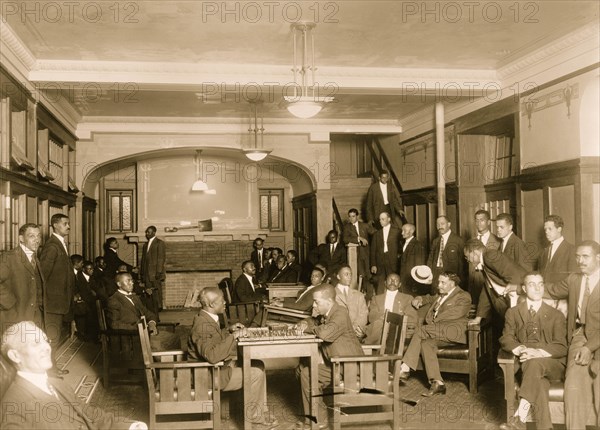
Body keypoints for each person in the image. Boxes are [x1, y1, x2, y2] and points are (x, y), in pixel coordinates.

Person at [0, 321, 146, 430]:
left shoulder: (57, 383)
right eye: (36, 343)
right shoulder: (13, 408)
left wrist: (130, 426)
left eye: (45, 340)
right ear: (15, 356)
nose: (46, 347)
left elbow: (89, 414)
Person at [187, 287, 276, 429]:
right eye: (222, 300)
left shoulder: (206, 318)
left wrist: (228, 330)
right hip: (207, 375)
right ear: (211, 305)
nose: (225, 303)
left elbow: (213, 338)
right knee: (255, 373)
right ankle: (254, 418)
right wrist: (234, 336)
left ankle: (258, 412)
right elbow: (212, 355)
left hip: (215, 369)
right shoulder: (202, 324)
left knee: (258, 364)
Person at [542, 241, 600, 430]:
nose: (580, 261)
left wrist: (589, 348)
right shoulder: (575, 279)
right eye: (577, 256)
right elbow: (551, 289)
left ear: (598, 258)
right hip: (579, 335)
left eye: (585, 257)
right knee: (573, 385)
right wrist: (519, 287)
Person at [498, 273, 567, 430]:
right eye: (532, 284)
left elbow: (561, 346)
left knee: (534, 362)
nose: (537, 288)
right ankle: (545, 427)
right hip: (527, 366)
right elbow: (506, 338)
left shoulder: (556, 315)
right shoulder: (513, 312)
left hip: (553, 364)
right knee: (540, 384)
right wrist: (521, 349)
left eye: (540, 284)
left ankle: (519, 417)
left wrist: (538, 352)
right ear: (523, 288)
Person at [294, 285, 364, 428]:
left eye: (317, 302)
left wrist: (307, 328)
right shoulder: (330, 313)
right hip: (338, 364)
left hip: (350, 367)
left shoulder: (340, 313)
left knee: (307, 373)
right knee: (303, 370)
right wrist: (304, 322)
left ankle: (318, 419)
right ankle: (316, 417)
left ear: (329, 301)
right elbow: (314, 321)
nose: (314, 305)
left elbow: (325, 333)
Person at [398, 272, 471, 397]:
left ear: (452, 284)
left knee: (421, 330)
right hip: (439, 332)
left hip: (454, 331)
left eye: (443, 283)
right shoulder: (440, 295)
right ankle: (438, 382)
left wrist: (433, 321)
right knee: (426, 343)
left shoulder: (463, 296)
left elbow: (455, 313)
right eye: (439, 282)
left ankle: (405, 368)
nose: (439, 285)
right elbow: (429, 298)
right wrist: (419, 298)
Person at [106, 272, 179, 351]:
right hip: (131, 338)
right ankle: (156, 362)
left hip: (145, 334)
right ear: (119, 284)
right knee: (162, 343)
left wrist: (151, 323)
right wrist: (140, 328)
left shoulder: (135, 297)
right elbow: (114, 324)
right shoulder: (114, 300)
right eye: (128, 281)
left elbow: (149, 313)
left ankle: (170, 362)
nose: (132, 283)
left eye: (132, 280)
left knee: (174, 338)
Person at [39, 213, 75, 375]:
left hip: (59, 301)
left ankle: (51, 367)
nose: (68, 226)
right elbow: (42, 276)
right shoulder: (52, 246)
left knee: (55, 336)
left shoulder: (59, 244)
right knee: (52, 337)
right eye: (65, 223)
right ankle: (50, 369)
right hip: (52, 302)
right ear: (55, 226)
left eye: (68, 223)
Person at [464, 239, 528, 326]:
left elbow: (516, 276)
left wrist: (515, 310)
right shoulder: (485, 262)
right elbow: (487, 290)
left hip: (521, 301)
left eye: (467, 257)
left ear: (475, 252)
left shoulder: (490, 256)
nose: (468, 261)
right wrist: (478, 317)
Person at [0, 223, 44, 333]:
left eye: (38, 236)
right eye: (31, 236)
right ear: (21, 238)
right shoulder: (9, 257)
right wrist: (10, 304)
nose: (37, 240)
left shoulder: (35, 258)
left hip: (34, 317)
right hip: (14, 317)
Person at [364, 273, 418, 344]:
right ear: (385, 283)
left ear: (400, 285)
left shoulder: (408, 298)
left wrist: (393, 319)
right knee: (379, 325)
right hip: (380, 327)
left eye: (396, 280)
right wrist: (385, 318)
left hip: (397, 329)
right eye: (390, 279)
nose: (392, 282)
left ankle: (367, 345)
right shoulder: (376, 299)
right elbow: (372, 317)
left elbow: (412, 319)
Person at [468, 210, 502, 305]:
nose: (479, 223)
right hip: (473, 279)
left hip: (490, 280)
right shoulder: (471, 241)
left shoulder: (498, 241)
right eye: (476, 220)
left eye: (482, 220)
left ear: (488, 222)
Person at [427, 215, 465, 288]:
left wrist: (459, 282)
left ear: (449, 224)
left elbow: (462, 265)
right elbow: (430, 259)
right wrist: (429, 275)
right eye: (437, 224)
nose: (439, 226)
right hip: (435, 276)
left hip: (450, 278)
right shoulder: (435, 241)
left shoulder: (458, 240)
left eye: (442, 224)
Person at [538, 215, 577, 284]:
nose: (546, 232)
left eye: (550, 229)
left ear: (559, 229)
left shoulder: (571, 250)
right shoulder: (544, 252)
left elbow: (572, 280)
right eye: (545, 229)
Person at [370, 212, 401, 295]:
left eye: (383, 219)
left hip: (393, 261)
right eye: (380, 219)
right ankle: (379, 301)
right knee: (380, 284)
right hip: (380, 262)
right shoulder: (377, 234)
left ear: (389, 219)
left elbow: (401, 247)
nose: (380, 221)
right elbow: (373, 250)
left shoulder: (397, 232)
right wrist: (373, 264)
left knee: (393, 282)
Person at [342, 208, 375, 285]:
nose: (351, 218)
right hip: (355, 255)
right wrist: (359, 238)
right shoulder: (347, 227)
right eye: (349, 216)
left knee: (368, 274)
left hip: (366, 253)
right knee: (360, 274)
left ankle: (369, 294)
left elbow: (375, 234)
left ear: (357, 216)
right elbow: (345, 239)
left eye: (353, 216)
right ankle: (360, 291)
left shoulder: (365, 225)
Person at [334, 266, 368, 338]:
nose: (349, 277)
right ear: (338, 276)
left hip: (355, 334)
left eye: (350, 274)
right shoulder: (331, 293)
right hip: (337, 334)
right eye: (346, 274)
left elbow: (364, 315)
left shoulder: (359, 295)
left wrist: (354, 327)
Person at [140, 226, 166, 317]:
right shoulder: (145, 245)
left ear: (154, 232)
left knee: (156, 295)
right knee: (148, 294)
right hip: (147, 274)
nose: (147, 234)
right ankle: (151, 314)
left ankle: (157, 313)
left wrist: (158, 272)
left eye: (149, 232)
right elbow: (143, 260)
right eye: (146, 232)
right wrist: (142, 273)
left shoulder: (160, 243)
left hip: (155, 274)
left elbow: (161, 258)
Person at [73, 260, 100, 342]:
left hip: (91, 302)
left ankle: (92, 336)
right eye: (89, 269)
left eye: (92, 269)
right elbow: (79, 291)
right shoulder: (78, 277)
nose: (91, 270)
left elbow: (96, 289)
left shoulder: (92, 277)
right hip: (82, 303)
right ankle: (85, 336)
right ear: (84, 269)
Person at [399, 223, 427, 296]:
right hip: (404, 279)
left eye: (404, 231)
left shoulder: (417, 245)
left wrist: (416, 282)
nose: (402, 233)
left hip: (412, 281)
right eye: (402, 230)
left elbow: (419, 265)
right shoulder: (403, 244)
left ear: (411, 231)